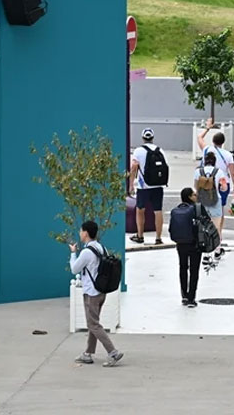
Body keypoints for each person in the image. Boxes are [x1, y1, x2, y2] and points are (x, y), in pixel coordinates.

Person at [69, 220, 124, 367]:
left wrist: (73, 254)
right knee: (93, 323)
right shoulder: (101, 248)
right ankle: (88, 353)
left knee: (93, 324)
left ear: (86, 233)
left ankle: (113, 352)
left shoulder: (86, 252)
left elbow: (74, 269)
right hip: (101, 291)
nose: (80, 233)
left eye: (81, 231)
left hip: (91, 293)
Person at [128, 128, 167, 245]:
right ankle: (158, 237)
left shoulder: (138, 151)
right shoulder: (160, 150)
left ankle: (140, 235)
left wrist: (131, 184)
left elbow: (134, 167)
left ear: (143, 138)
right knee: (158, 210)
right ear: (153, 138)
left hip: (143, 186)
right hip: (158, 185)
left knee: (140, 210)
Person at [197, 120, 234, 232]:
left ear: (213, 140)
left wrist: (208, 127)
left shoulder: (207, 150)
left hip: (208, 180)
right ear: (223, 142)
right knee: (220, 208)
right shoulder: (228, 155)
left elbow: (199, 137)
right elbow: (233, 172)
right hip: (223, 182)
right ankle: (218, 231)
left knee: (207, 206)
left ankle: (207, 229)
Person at [169, 188, 201, 307]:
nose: (196, 195)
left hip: (181, 243)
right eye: (193, 194)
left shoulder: (175, 211)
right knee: (194, 270)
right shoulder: (197, 209)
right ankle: (192, 297)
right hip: (195, 243)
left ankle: (184, 295)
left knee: (183, 268)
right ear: (189, 197)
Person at [193, 152, 226, 263]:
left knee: (204, 227)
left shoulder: (198, 172)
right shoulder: (219, 172)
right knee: (216, 227)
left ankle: (206, 253)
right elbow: (224, 188)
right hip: (216, 201)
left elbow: (195, 187)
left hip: (202, 202)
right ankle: (217, 250)